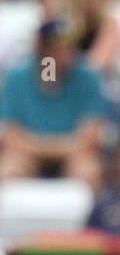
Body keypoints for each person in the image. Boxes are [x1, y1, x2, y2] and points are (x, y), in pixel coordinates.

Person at [0, 19, 109, 186]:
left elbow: (90, 137)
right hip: (29, 154)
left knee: (88, 171)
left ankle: (95, 212)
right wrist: (49, 149)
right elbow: (10, 135)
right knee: (6, 170)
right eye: (56, 48)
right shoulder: (16, 77)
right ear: (41, 49)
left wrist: (46, 148)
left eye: (69, 47)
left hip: (72, 154)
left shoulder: (88, 77)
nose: (65, 54)